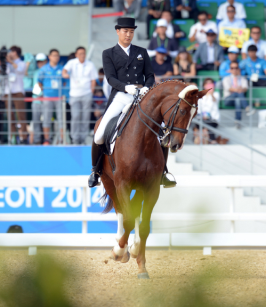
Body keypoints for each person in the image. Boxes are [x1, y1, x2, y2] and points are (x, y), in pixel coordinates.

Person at [88, 17, 176, 189]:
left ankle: (164, 172)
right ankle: (96, 171)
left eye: (131, 32)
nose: (128, 35)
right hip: (121, 96)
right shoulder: (108, 53)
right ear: (118, 32)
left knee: (162, 133)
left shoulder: (141, 51)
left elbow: (150, 75)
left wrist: (147, 87)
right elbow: (110, 78)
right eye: (125, 31)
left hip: (142, 96)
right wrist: (125, 87)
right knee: (99, 134)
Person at [62, 46, 98, 145]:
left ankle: (83, 138)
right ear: (76, 54)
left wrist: (91, 91)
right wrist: (65, 74)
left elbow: (93, 79)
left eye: (84, 53)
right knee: (76, 116)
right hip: (74, 94)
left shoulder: (90, 64)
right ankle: (75, 138)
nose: (82, 55)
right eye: (80, 53)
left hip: (86, 93)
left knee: (85, 117)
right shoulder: (72, 63)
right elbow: (64, 71)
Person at [38, 49, 64, 145]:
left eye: (57, 55)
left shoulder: (62, 68)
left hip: (59, 97)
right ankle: (47, 139)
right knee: (46, 118)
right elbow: (39, 81)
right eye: (53, 55)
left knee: (61, 118)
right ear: (49, 57)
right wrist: (44, 91)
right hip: (47, 97)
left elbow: (65, 82)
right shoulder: (44, 69)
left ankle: (62, 139)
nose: (55, 57)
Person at [4, 45, 28, 144]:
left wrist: (11, 62)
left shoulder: (22, 63)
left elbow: (20, 70)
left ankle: (23, 137)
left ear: (15, 53)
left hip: (18, 91)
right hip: (7, 92)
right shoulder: (6, 64)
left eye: (10, 51)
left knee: (20, 115)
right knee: (10, 115)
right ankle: (12, 137)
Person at [194, 78, 220, 144]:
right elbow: (199, 108)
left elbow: (212, 104)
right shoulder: (200, 96)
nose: (209, 86)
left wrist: (210, 93)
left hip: (213, 119)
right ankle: (211, 139)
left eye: (211, 84)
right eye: (207, 84)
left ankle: (206, 135)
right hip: (202, 119)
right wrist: (203, 115)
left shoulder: (216, 94)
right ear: (204, 85)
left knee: (208, 123)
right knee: (203, 122)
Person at [223, 61, 249, 128]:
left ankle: (237, 121)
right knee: (238, 93)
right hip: (228, 99)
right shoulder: (226, 79)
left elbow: (245, 88)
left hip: (237, 100)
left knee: (237, 99)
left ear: (238, 69)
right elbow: (228, 88)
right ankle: (247, 107)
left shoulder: (242, 79)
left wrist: (240, 89)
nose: (234, 69)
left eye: (236, 68)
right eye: (232, 68)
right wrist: (239, 89)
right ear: (230, 69)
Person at [31, 53, 47, 144]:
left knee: (47, 121)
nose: (40, 63)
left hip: (46, 100)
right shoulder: (35, 72)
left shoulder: (48, 71)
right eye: (38, 62)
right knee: (36, 121)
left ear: (45, 61)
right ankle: (37, 140)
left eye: (42, 61)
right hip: (36, 99)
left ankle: (47, 139)